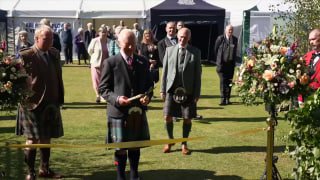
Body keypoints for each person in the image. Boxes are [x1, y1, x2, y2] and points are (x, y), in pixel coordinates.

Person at [98, 29, 153, 180]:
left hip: (137, 112)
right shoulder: (110, 62)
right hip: (118, 112)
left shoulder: (142, 61)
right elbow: (103, 89)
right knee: (121, 148)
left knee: (135, 146)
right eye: (127, 44)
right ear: (119, 43)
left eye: (133, 44)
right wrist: (116, 99)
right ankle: (120, 176)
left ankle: (134, 175)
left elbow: (149, 86)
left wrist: (147, 97)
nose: (130, 48)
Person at [15, 25, 64, 180]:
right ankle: (30, 172)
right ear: (36, 38)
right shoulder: (26, 55)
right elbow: (16, 80)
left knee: (46, 138)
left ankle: (45, 169)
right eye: (46, 39)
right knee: (32, 139)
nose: (50, 42)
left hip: (51, 104)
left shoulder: (54, 54)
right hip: (32, 104)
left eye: (51, 38)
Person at [160, 27, 201, 155]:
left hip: (188, 90)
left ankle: (184, 143)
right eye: (181, 37)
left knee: (187, 118)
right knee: (167, 116)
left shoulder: (195, 52)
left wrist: (196, 94)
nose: (182, 39)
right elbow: (165, 71)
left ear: (189, 38)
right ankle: (170, 140)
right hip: (171, 89)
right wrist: (162, 90)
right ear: (177, 36)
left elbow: (197, 75)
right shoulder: (169, 50)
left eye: (185, 37)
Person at [214, 24, 238, 105]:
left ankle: (228, 98)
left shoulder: (235, 39)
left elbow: (235, 51)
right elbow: (215, 49)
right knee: (223, 81)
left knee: (229, 82)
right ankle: (222, 99)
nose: (230, 31)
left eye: (231, 30)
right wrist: (218, 61)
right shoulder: (220, 38)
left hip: (230, 64)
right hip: (222, 64)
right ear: (225, 30)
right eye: (229, 30)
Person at [298, 28, 320, 105]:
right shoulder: (307, 56)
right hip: (304, 97)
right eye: (310, 40)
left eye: (313, 39)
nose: (311, 42)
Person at [88, 27, 109, 103]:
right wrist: (94, 57)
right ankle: (98, 95)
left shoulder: (109, 41)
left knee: (104, 80)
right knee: (96, 80)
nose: (104, 33)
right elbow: (89, 51)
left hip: (106, 64)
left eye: (105, 32)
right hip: (96, 63)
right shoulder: (95, 40)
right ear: (99, 32)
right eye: (102, 32)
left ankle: (103, 95)